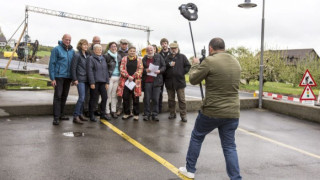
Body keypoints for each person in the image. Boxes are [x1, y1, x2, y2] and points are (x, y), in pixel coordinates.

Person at [179, 38, 242, 180]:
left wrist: (195, 65)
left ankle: (189, 169)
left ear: (211, 48)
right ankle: (236, 178)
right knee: (229, 147)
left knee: (197, 136)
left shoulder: (209, 61)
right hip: (232, 112)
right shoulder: (235, 62)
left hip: (212, 110)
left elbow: (194, 80)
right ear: (223, 48)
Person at [49, 34, 75, 125]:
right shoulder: (56, 49)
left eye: (69, 40)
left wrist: (73, 78)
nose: (68, 41)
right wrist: (52, 78)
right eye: (66, 39)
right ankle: (56, 117)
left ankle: (61, 114)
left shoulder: (72, 51)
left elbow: (73, 65)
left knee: (64, 96)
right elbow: (52, 64)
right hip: (59, 76)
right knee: (58, 96)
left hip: (68, 77)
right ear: (62, 39)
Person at [164, 42, 190, 122]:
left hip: (180, 82)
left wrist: (181, 72)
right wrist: (168, 65)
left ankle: (183, 115)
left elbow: (188, 66)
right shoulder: (167, 57)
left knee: (181, 99)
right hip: (169, 82)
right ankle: (172, 113)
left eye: (175, 48)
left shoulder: (182, 57)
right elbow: (164, 67)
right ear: (170, 49)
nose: (173, 50)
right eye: (172, 48)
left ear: (177, 48)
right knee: (171, 99)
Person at [117, 47, 143, 121]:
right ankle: (126, 113)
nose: (132, 52)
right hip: (126, 81)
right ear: (128, 52)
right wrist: (128, 76)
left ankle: (136, 114)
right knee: (125, 97)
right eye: (131, 51)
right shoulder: (124, 59)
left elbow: (141, 69)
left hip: (135, 81)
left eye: (134, 51)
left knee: (135, 98)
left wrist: (134, 76)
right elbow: (122, 69)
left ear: (135, 52)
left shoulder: (139, 59)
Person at [142, 45, 166, 121]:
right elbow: (140, 69)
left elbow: (164, 66)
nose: (150, 51)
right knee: (147, 99)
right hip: (147, 82)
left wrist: (160, 71)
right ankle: (146, 114)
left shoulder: (159, 57)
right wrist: (145, 70)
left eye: (151, 50)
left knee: (156, 99)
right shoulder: (144, 59)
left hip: (157, 81)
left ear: (154, 50)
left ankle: (155, 114)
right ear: (146, 51)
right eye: (148, 50)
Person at [87, 44, 109, 122]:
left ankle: (103, 114)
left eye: (100, 49)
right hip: (95, 82)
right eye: (97, 49)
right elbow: (90, 71)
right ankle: (91, 114)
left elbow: (106, 71)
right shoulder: (91, 58)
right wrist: (92, 82)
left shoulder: (103, 58)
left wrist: (107, 82)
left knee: (105, 97)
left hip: (103, 82)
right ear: (94, 50)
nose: (99, 50)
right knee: (93, 99)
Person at [71, 39, 90, 124]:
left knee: (84, 98)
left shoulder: (87, 55)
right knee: (81, 98)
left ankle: (81, 114)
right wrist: (75, 79)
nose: (86, 46)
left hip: (86, 79)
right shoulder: (77, 55)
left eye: (86, 45)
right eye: (84, 45)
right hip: (80, 79)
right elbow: (73, 68)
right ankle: (75, 116)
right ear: (80, 46)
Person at [84, 36, 102, 117]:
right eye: (95, 41)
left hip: (98, 78)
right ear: (92, 41)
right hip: (89, 76)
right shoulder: (88, 51)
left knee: (96, 95)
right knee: (88, 95)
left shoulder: (101, 51)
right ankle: (87, 110)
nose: (97, 42)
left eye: (98, 41)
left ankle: (94, 109)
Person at [104, 42, 122, 120]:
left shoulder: (118, 56)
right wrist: (106, 78)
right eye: (112, 46)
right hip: (109, 78)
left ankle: (113, 111)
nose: (114, 48)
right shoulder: (106, 56)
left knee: (114, 95)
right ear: (109, 47)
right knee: (108, 95)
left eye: (115, 46)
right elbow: (104, 68)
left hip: (117, 77)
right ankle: (107, 111)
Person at [116, 39, 130, 116]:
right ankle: (119, 109)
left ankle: (128, 109)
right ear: (120, 44)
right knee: (119, 94)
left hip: (129, 76)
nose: (124, 45)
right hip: (120, 76)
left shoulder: (131, 52)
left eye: (125, 44)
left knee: (129, 94)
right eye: (123, 44)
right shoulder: (117, 53)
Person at [158, 38, 171, 113]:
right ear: (161, 45)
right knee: (160, 92)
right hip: (161, 76)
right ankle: (159, 109)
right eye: (162, 44)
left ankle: (171, 110)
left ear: (167, 44)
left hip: (169, 76)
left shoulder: (172, 53)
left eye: (165, 43)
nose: (164, 45)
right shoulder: (159, 54)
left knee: (170, 93)